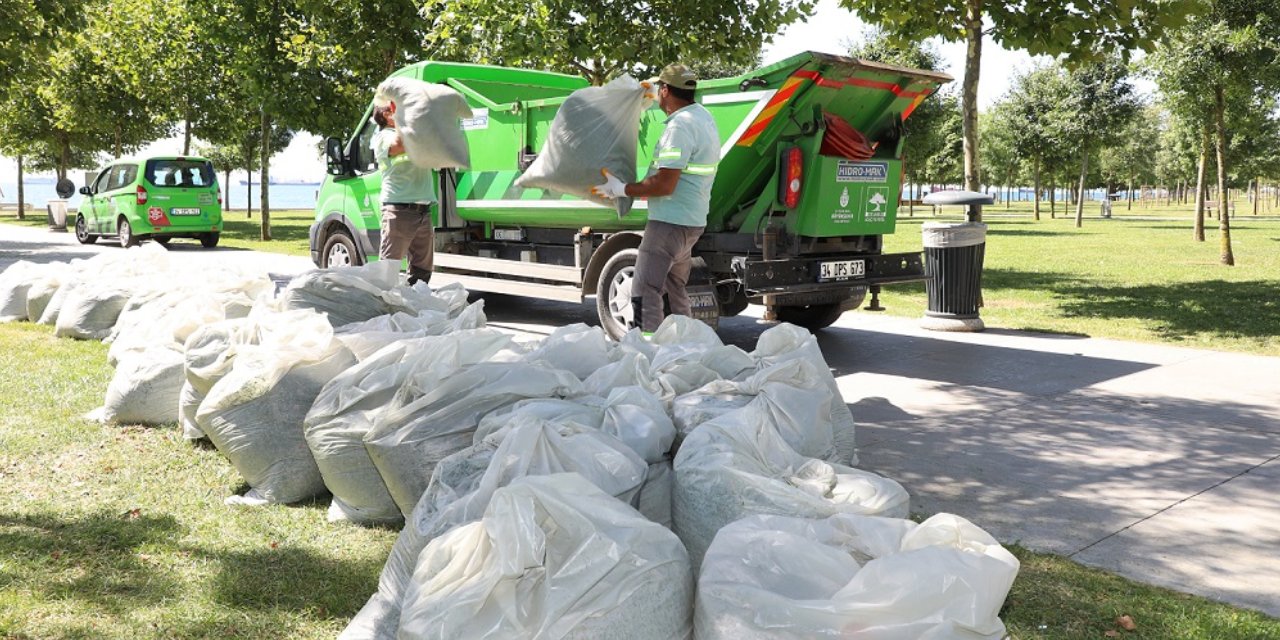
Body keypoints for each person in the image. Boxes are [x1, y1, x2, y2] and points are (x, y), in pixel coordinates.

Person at [591, 63, 720, 332]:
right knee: (676, 286)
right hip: (691, 221)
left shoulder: (679, 127)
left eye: (660, 88)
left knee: (643, 289)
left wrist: (622, 189)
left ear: (665, 91)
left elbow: (664, 184)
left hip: (668, 223)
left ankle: (646, 346)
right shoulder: (702, 117)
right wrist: (652, 89)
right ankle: (686, 343)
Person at [371, 101, 436, 285]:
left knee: (422, 270)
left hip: (423, 210)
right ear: (386, 115)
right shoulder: (383, 136)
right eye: (395, 108)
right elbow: (399, 145)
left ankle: (415, 301)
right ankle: (383, 302)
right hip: (398, 210)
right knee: (388, 271)